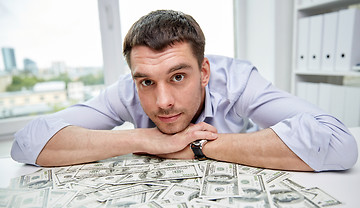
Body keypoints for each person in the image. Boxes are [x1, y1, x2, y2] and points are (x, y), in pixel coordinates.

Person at [11, 10, 358, 172]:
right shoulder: (127, 90)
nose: (162, 102)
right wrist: (145, 140)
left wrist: (197, 147)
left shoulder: (236, 80)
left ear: (204, 72)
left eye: (178, 77)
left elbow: (339, 143)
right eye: (147, 81)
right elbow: (27, 141)